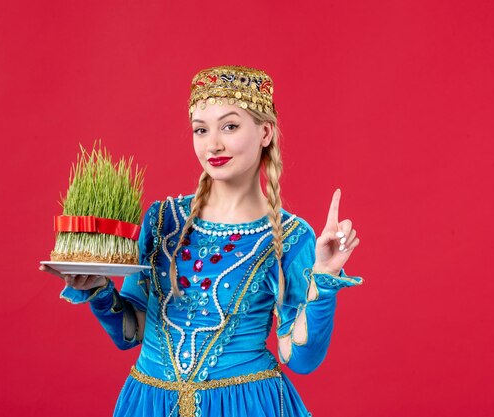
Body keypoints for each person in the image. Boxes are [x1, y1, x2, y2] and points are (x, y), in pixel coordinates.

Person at [40, 65, 363, 417]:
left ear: (265, 132)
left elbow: (299, 358)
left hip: (245, 406)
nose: (213, 144)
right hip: (150, 404)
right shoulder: (162, 220)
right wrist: (98, 289)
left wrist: (324, 277)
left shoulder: (291, 237)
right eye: (200, 129)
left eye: (230, 126)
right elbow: (131, 334)